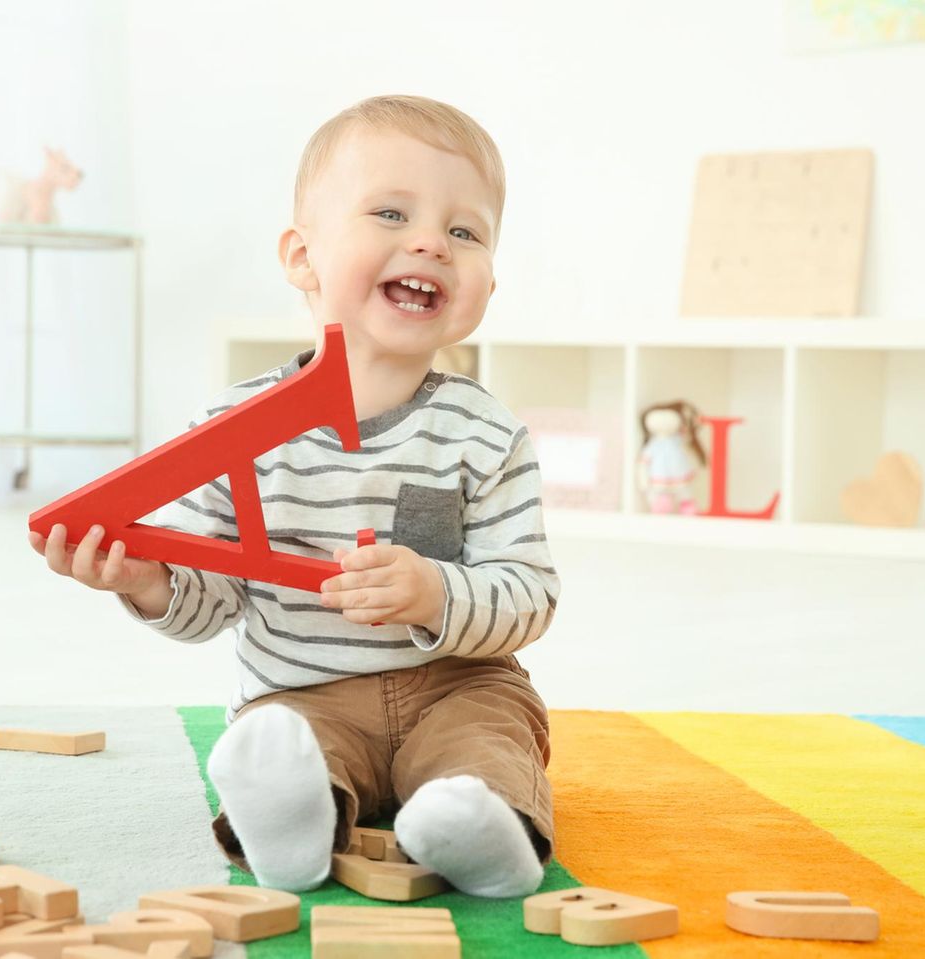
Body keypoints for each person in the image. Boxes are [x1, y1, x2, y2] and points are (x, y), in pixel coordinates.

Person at [31, 94, 560, 898]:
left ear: (489, 281)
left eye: (465, 231)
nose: (430, 242)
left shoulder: (488, 433)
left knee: (490, 737)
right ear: (303, 259)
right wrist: (148, 581)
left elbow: (530, 595)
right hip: (303, 690)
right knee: (278, 744)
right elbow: (214, 600)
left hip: (461, 685)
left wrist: (433, 590)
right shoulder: (233, 427)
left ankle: (477, 825)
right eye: (390, 212)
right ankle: (293, 827)